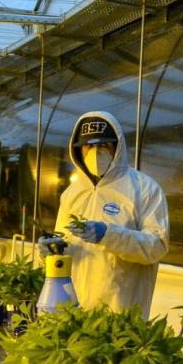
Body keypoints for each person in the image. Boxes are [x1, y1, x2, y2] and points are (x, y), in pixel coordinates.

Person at [48, 111, 169, 318]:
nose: (95, 153)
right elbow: (65, 240)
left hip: (121, 313)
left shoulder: (144, 189)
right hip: (76, 310)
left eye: (103, 145)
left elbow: (157, 246)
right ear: (79, 150)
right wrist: (53, 248)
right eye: (89, 146)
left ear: (117, 146)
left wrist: (108, 235)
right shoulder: (72, 193)